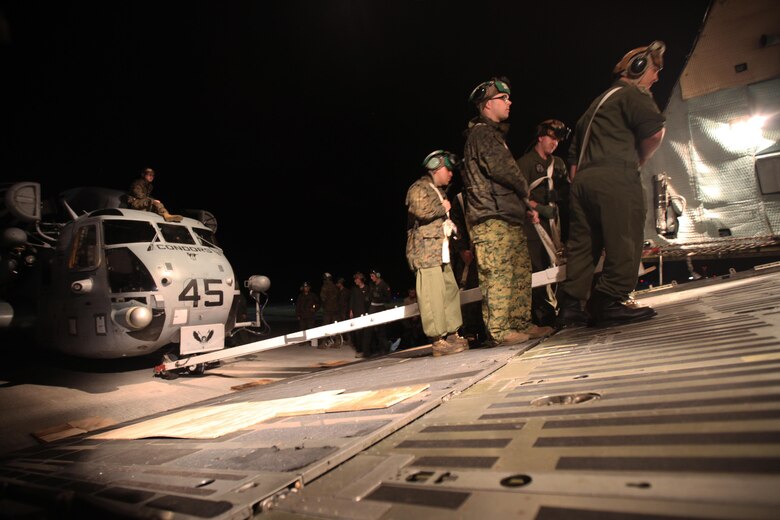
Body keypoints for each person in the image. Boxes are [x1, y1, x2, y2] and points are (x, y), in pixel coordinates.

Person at [557, 41, 667, 328]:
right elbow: (655, 133)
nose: (656, 77)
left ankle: (571, 307)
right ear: (639, 68)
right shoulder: (632, 95)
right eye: (655, 70)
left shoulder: (593, 106)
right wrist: (639, 161)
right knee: (624, 237)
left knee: (583, 245)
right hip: (614, 177)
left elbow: (572, 164)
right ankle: (608, 301)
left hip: (581, 182)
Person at [462, 77, 554, 346]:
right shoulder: (482, 133)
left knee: (518, 272)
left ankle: (520, 323)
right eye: (504, 98)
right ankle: (502, 330)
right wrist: (527, 192)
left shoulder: (492, 134)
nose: (509, 102)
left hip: (506, 216)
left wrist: (523, 206)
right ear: (488, 104)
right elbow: (504, 171)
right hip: (492, 219)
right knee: (500, 275)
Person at [405, 150, 469, 357]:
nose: (451, 174)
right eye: (448, 170)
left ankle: (452, 333)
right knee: (432, 296)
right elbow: (421, 210)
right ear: (437, 168)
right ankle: (437, 340)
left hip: (441, 251)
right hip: (426, 253)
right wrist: (443, 208)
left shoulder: (437, 191)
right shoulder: (419, 188)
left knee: (449, 291)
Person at [516, 119, 571, 327]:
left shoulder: (558, 164)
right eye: (552, 138)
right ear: (540, 137)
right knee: (538, 268)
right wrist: (537, 208)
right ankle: (544, 314)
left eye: (558, 140)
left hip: (554, 223)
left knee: (559, 264)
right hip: (533, 224)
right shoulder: (525, 163)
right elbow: (518, 194)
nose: (555, 143)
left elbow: (565, 192)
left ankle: (563, 308)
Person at [349, 271, 370, 357]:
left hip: (365, 313)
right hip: (356, 313)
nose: (355, 281)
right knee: (357, 334)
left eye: (356, 279)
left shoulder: (367, 289)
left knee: (365, 333)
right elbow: (352, 300)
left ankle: (366, 351)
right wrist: (351, 311)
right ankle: (359, 350)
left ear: (361, 279)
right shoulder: (354, 290)